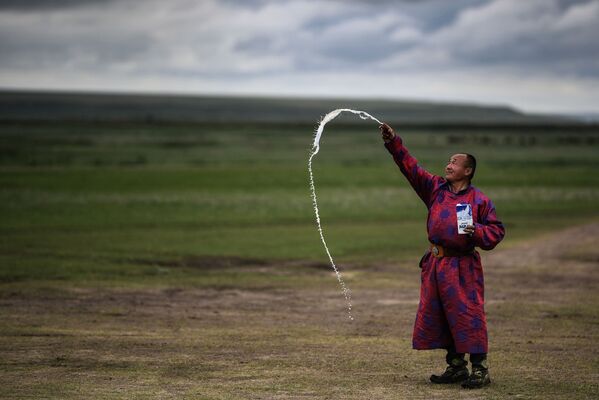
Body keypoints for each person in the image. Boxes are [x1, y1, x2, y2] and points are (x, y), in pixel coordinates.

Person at [380, 123, 505, 389]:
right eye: (448, 161)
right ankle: (456, 366)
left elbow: (496, 231)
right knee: (441, 315)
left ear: (467, 171)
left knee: (468, 314)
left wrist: (477, 231)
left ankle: (480, 369)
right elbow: (410, 167)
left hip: (463, 267)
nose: (448, 166)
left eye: (454, 163)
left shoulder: (479, 200)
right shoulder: (434, 189)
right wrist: (393, 142)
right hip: (436, 264)